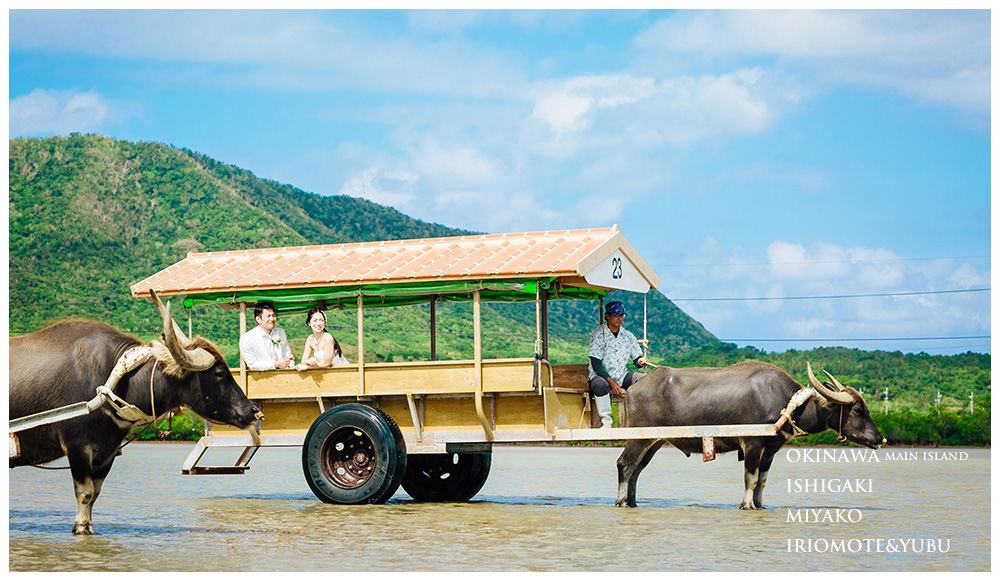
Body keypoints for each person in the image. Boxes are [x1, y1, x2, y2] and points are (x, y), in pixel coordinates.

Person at [588, 300, 647, 428]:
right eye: (615, 315)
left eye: (621, 315)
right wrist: (611, 382)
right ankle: (606, 422)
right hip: (602, 377)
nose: (619, 318)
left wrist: (640, 361)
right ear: (607, 316)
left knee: (644, 380)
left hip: (621, 375)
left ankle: (640, 420)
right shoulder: (599, 335)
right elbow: (596, 363)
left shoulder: (628, 336)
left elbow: (636, 359)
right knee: (599, 384)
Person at [239, 301, 293, 371]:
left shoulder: (280, 332)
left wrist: (290, 364)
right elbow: (252, 365)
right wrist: (275, 364)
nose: (272, 319)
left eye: (273, 315)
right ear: (258, 319)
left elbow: (288, 354)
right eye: (268, 316)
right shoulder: (247, 338)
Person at [295, 307, 349, 371]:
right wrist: (308, 361)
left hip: (342, 371)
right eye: (315, 320)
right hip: (327, 373)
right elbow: (303, 361)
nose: (318, 324)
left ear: (325, 323)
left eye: (321, 320)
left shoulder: (328, 337)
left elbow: (326, 363)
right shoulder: (310, 339)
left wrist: (308, 367)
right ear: (309, 323)